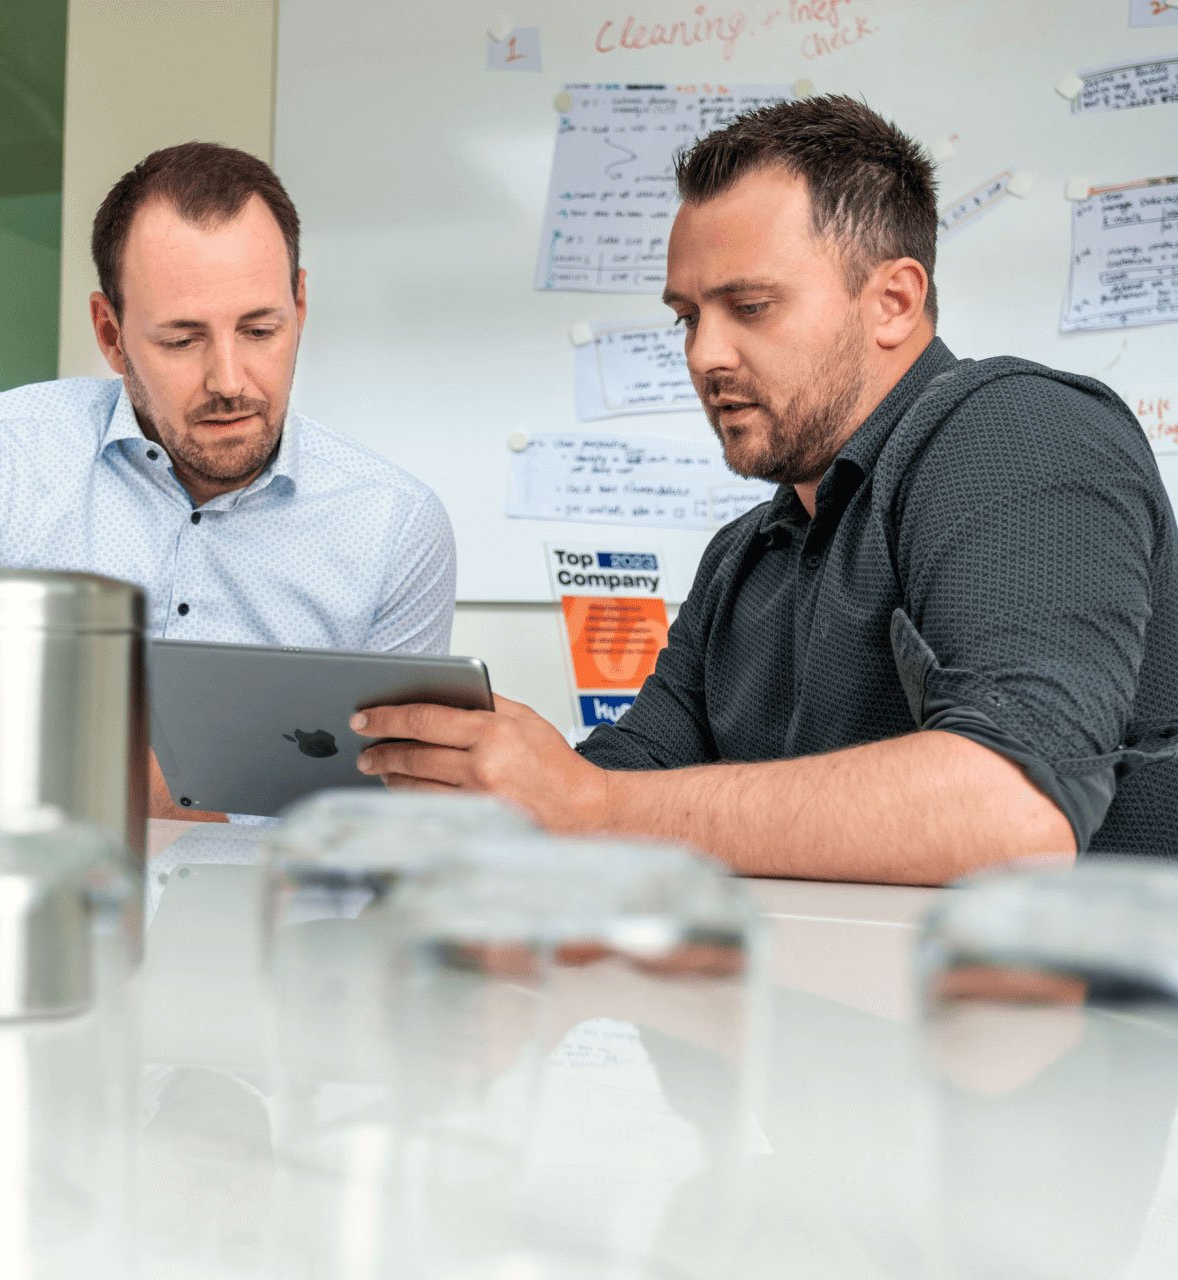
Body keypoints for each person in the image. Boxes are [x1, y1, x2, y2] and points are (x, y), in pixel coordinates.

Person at [350, 96, 1178, 884]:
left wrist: (589, 807)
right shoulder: (745, 556)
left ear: (894, 301)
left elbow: (1013, 809)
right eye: (687, 316)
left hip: (1091, 1023)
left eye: (750, 305)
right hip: (826, 1014)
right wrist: (497, 794)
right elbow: (624, 783)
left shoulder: (1020, 430)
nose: (705, 355)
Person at [0, 141, 455, 819]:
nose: (229, 381)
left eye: (259, 329)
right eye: (182, 340)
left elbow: (393, 816)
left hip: (271, 918)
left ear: (300, 306)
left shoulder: (394, 528)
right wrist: (149, 787)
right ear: (110, 333)